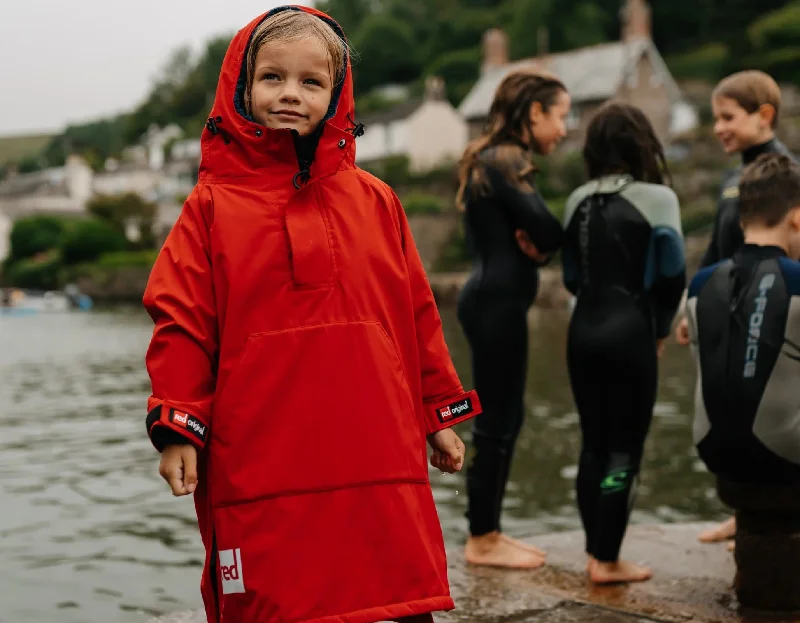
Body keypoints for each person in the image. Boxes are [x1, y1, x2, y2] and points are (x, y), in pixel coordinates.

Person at [142, 7, 481, 623]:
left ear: (337, 93)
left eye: (311, 82)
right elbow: (183, 322)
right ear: (242, 88)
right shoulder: (209, 207)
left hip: (376, 444)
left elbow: (417, 315)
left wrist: (438, 413)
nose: (290, 95)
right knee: (276, 599)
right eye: (272, 78)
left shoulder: (378, 201)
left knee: (396, 591)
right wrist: (177, 426)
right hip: (259, 451)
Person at [561, 102, 686, 584]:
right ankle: (607, 561)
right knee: (624, 448)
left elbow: (572, 277)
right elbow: (673, 274)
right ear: (642, 144)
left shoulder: (576, 199)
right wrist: (656, 328)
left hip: (582, 333)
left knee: (592, 444)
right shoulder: (658, 198)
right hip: (630, 330)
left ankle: (596, 551)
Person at [671, 70, 796, 545]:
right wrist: (690, 305)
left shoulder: (784, 173)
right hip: (726, 302)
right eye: (715, 117)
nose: (718, 127)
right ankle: (744, 507)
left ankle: (758, 504)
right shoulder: (733, 177)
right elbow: (716, 248)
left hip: (769, 304)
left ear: (764, 115)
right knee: (728, 399)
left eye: (728, 117)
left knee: (765, 395)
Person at [455, 70, 570, 569]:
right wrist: (540, 242)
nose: (564, 129)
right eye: (561, 116)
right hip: (495, 302)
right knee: (498, 422)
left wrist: (537, 248)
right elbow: (547, 228)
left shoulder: (492, 156)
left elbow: (536, 239)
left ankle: (490, 531)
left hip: (494, 299)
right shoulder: (505, 156)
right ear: (535, 112)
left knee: (506, 418)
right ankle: (482, 538)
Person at [686, 152, 800, 498]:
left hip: (714, 452)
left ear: (741, 221)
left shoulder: (700, 285)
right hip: (782, 456)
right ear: (796, 219)